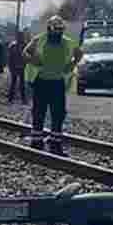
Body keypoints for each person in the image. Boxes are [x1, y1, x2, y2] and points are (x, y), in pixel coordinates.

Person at [25, 16, 82, 153]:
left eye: (60, 29)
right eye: (56, 29)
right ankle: (37, 140)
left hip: (58, 82)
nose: (58, 32)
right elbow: (26, 52)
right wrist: (33, 60)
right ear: (49, 28)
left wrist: (72, 64)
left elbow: (79, 53)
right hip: (41, 81)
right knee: (39, 112)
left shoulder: (68, 42)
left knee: (58, 113)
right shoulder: (39, 40)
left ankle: (55, 142)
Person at [6, 30, 27, 103]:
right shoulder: (12, 45)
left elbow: (27, 56)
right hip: (14, 67)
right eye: (20, 36)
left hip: (22, 67)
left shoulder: (25, 45)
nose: (21, 37)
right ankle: (10, 98)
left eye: (21, 36)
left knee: (22, 84)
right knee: (13, 83)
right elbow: (9, 57)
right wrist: (10, 67)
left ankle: (23, 99)